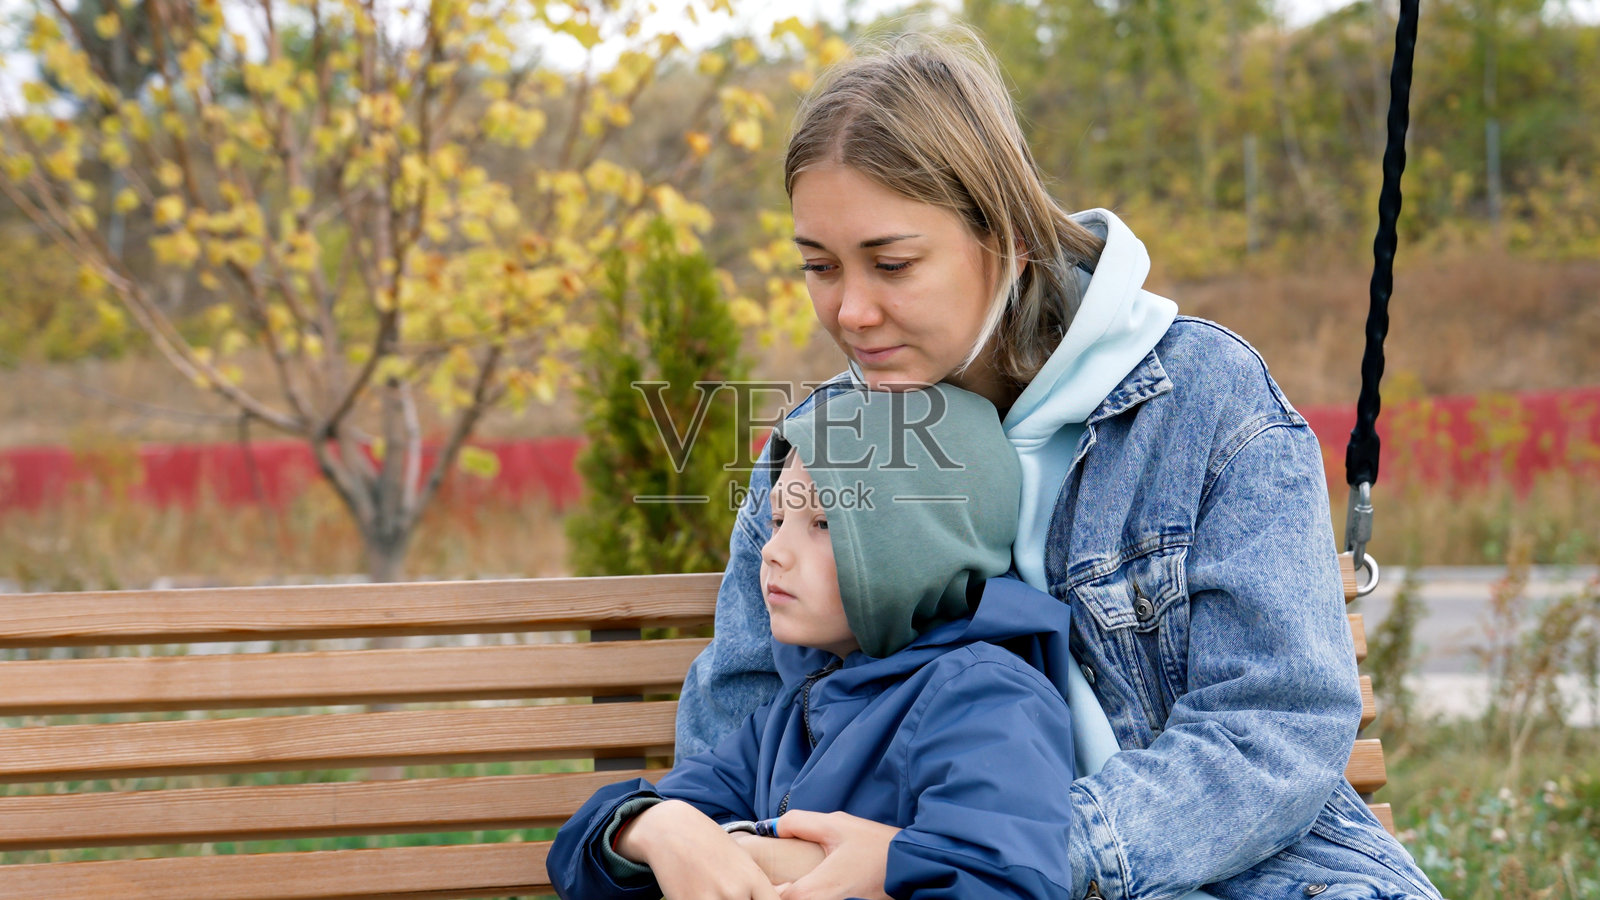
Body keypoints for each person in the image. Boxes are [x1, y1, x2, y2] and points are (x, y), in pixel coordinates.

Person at [675, 26, 1444, 900]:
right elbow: (731, 740)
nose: (849, 310)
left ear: (1002, 237)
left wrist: (981, 861)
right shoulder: (818, 450)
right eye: (819, 266)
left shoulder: (1200, 401)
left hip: (1243, 877)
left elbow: (1273, 721)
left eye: (891, 263)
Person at [547, 384, 1081, 899]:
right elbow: (576, 855)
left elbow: (1005, 880)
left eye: (823, 523)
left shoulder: (985, 696)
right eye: (778, 518)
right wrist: (658, 828)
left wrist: (787, 861)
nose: (773, 551)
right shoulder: (792, 717)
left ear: (923, 546)